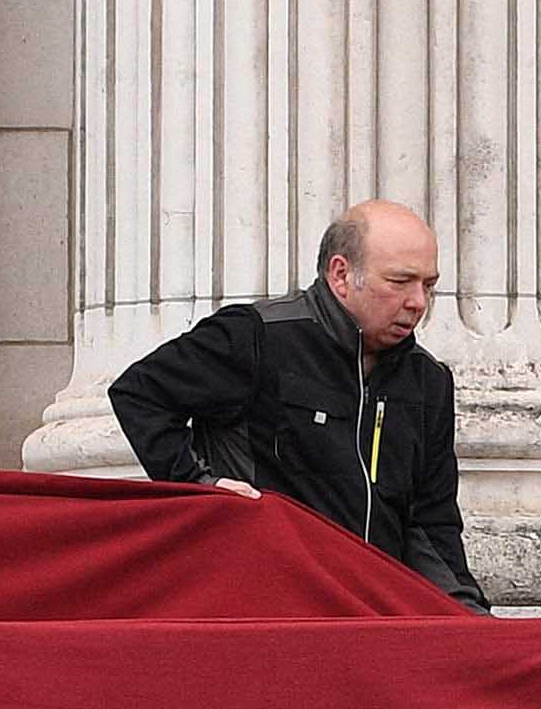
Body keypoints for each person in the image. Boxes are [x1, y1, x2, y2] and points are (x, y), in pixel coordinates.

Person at [106, 201, 488, 608]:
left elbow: (432, 525)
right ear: (341, 275)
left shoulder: (429, 381)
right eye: (400, 281)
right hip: (265, 610)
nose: (418, 302)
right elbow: (139, 393)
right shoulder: (256, 336)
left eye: (429, 285)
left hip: (367, 614)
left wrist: (469, 616)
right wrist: (200, 486)